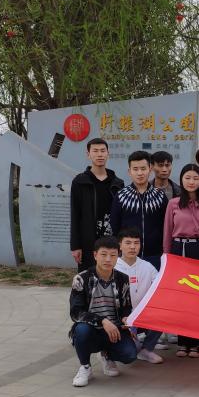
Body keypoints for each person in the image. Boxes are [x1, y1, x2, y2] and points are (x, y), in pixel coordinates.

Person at [68, 236, 137, 387]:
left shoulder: (123, 279)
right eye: (103, 254)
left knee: (130, 354)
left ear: (118, 256)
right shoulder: (81, 278)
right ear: (95, 255)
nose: (108, 259)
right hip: (91, 329)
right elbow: (76, 312)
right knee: (81, 331)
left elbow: (126, 307)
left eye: (113, 255)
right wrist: (102, 321)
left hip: (114, 330)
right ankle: (85, 367)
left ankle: (106, 354)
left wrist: (126, 319)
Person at [163, 163, 199, 358]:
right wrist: (167, 256)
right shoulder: (173, 203)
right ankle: (182, 342)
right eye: (187, 178)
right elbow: (167, 232)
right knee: (182, 298)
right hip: (179, 250)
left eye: (195, 178)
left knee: (198, 298)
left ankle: (196, 343)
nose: (191, 182)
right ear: (182, 180)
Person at [70, 138, 124, 271]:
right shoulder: (80, 182)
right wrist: (75, 246)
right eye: (95, 151)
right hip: (88, 241)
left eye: (102, 151)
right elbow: (75, 214)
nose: (99, 154)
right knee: (89, 277)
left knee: (112, 276)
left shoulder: (118, 183)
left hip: (112, 240)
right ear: (88, 154)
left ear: (108, 154)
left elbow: (122, 216)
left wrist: (122, 242)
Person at [110, 150, 168, 270]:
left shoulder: (160, 196)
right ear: (129, 171)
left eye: (143, 168)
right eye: (135, 169)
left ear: (150, 169)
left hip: (154, 255)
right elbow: (115, 225)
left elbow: (166, 225)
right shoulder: (121, 196)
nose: (140, 173)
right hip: (127, 256)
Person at [115, 228, 164, 365]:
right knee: (130, 352)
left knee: (163, 314)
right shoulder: (113, 266)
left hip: (142, 316)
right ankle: (107, 354)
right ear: (120, 245)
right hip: (119, 317)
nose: (132, 247)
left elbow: (160, 288)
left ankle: (147, 349)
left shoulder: (147, 266)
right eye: (128, 243)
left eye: (136, 243)